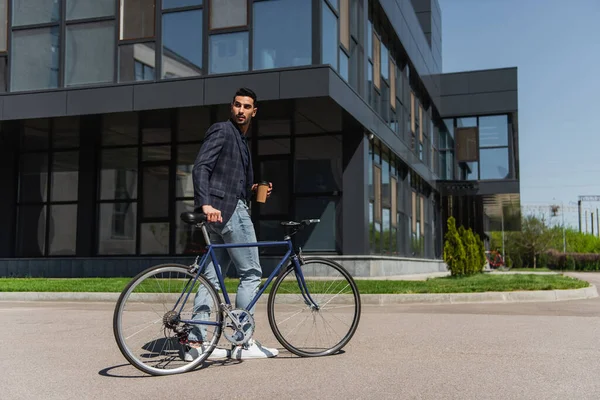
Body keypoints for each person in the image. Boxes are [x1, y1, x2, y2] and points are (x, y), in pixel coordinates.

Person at [184, 87, 278, 361]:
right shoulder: (222, 130)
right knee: (250, 272)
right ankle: (243, 341)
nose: (241, 110)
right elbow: (200, 166)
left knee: (211, 277)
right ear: (232, 107)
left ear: (254, 111)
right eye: (237, 105)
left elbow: (233, 182)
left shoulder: (241, 140)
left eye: (246, 107)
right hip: (226, 212)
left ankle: (196, 344)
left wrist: (255, 189)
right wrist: (205, 204)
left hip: (221, 213)